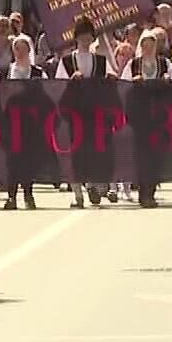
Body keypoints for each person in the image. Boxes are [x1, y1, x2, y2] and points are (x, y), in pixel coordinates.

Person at [55, 19, 113, 209]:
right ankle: (78, 193)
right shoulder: (67, 61)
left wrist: (110, 79)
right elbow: (58, 84)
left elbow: (113, 76)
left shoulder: (101, 60)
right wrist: (71, 81)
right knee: (76, 152)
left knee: (95, 150)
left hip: (95, 113)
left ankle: (94, 185)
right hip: (74, 113)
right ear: (77, 38)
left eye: (88, 35)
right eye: (82, 35)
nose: (86, 39)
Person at [120, 29, 172, 208]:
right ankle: (142, 190)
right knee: (141, 154)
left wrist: (168, 79)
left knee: (156, 155)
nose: (148, 49)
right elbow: (123, 84)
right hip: (140, 116)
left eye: (151, 45)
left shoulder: (164, 63)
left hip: (159, 117)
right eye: (145, 45)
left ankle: (151, 191)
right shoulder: (133, 64)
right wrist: (134, 82)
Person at [0, 34, 46, 210]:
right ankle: (11, 196)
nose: (19, 52)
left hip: (31, 123)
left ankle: (29, 195)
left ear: (29, 50)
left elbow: (46, 95)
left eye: (23, 49)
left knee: (28, 160)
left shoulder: (38, 72)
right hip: (11, 123)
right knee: (12, 160)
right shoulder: (6, 71)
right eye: (16, 49)